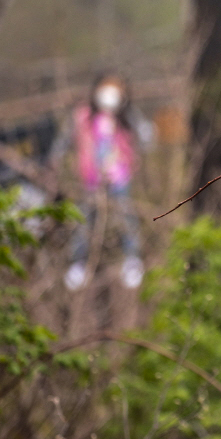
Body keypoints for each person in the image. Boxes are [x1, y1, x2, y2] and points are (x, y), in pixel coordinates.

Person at [61, 74, 153, 291]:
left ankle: (131, 261)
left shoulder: (126, 117)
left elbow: (146, 137)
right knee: (84, 220)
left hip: (119, 176)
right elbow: (64, 140)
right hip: (91, 178)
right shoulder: (83, 116)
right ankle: (78, 263)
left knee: (126, 217)